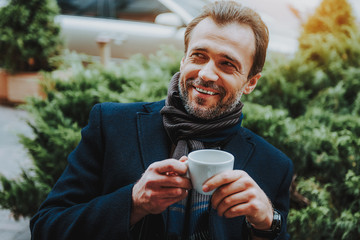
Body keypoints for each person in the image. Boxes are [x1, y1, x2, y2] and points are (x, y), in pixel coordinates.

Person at [30, 1, 293, 239]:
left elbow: (273, 230)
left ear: (250, 82)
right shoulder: (111, 125)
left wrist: (268, 223)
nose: (206, 73)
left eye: (227, 64)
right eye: (199, 55)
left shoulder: (273, 165)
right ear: (183, 60)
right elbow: (46, 228)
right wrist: (133, 202)